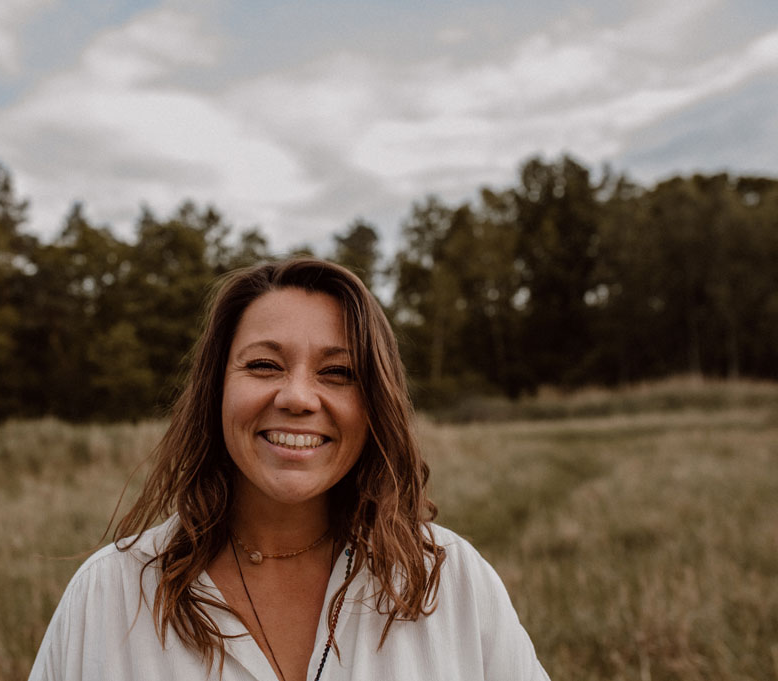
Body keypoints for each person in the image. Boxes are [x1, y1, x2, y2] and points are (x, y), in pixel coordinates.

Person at [28, 258, 550, 681]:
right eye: (264, 365)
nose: (298, 397)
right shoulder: (109, 595)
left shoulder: (451, 581)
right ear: (216, 390)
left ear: (375, 406)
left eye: (338, 372)